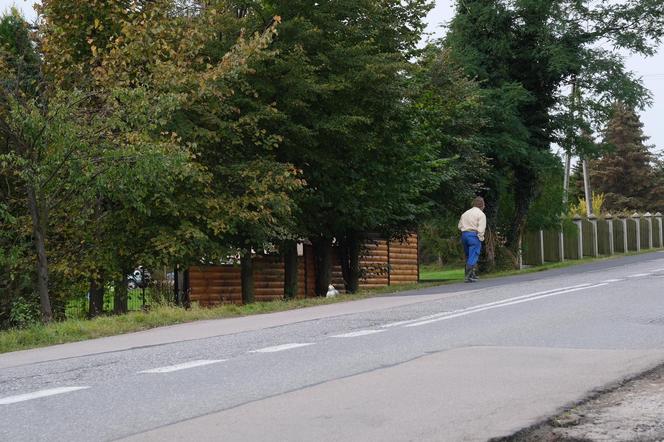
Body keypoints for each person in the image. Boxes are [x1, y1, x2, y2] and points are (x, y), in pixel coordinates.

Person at [458, 197, 486, 283]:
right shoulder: (481, 214)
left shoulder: (465, 213)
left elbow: (459, 226)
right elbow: (481, 228)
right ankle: (468, 276)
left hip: (464, 235)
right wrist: (480, 238)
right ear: (482, 205)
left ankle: (472, 274)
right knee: (473, 255)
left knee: (468, 256)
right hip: (474, 235)